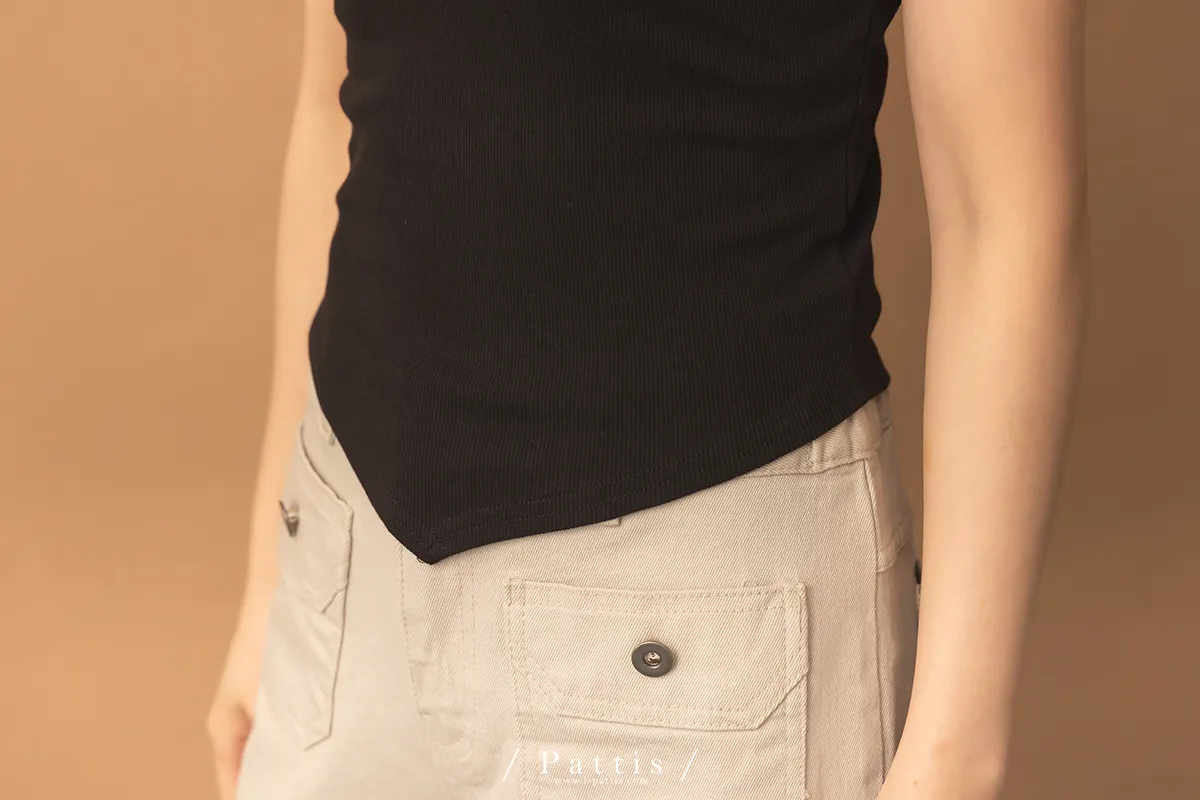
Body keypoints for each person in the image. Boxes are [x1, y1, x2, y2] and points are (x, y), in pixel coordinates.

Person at [207, 0, 1091, 798]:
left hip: (703, 608)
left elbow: (1002, 213)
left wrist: (953, 759)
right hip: (344, 569)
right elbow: (343, 95)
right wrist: (269, 583)